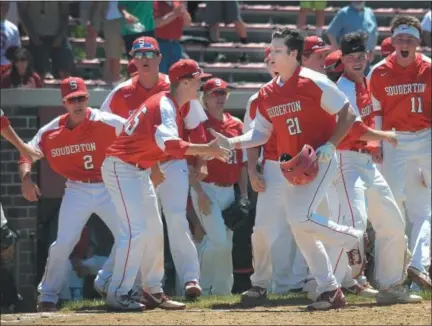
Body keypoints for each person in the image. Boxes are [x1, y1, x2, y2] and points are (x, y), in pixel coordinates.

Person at [212, 28, 364, 311]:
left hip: (319, 160)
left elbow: (348, 114)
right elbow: (260, 133)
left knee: (300, 220)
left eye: (279, 50)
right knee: (297, 226)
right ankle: (330, 289)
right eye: (271, 49)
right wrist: (231, 142)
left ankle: (352, 239)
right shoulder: (267, 93)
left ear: (294, 55)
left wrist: (330, 145)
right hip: (288, 166)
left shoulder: (314, 81)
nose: (272, 53)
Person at [101, 59, 229, 310]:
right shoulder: (165, 105)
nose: (201, 85)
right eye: (198, 80)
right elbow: (170, 146)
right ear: (184, 82)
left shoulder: (171, 103)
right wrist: (207, 150)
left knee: (153, 229)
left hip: (138, 169)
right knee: (135, 232)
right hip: (121, 167)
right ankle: (118, 292)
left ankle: (152, 290)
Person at [326, 31, 422, 303]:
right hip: (346, 160)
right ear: (342, 59)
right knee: (352, 223)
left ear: (367, 56)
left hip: (365, 162)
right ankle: (329, 284)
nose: (357, 61)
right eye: (351, 57)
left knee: (392, 220)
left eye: (361, 56)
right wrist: (384, 137)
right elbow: (353, 129)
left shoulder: (365, 82)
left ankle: (390, 286)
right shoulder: (342, 87)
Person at [17, 77, 126, 312]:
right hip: (77, 188)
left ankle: (107, 280)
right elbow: (27, 153)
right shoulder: (52, 130)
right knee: (63, 242)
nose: (78, 103)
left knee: (129, 236)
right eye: (72, 99)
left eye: (81, 98)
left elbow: (137, 135)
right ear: (63, 102)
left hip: (108, 185)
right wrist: (26, 178)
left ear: (87, 98)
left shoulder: (107, 121)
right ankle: (47, 295)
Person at [369, 16, 431, 291]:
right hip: (394, 140)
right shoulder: (378, 72)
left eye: (410, 39)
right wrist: (377, 145)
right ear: (392, 41)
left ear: (418, 42)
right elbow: (375, 112)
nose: (404, 44)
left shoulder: (429, 68)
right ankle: (391, 276)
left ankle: (418, 266)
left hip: (427, 137)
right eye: (400, 39)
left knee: (425, 209)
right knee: (393, 208)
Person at [189, 77, 248, 296]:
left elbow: (242, 165)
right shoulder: (198, 126)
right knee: (218, 242)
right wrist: (199, 192)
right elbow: (190, 166)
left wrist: (243, 195)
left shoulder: (236, 124)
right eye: (215, 93)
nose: (220, 97)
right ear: (204, 98)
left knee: (226, 244)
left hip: (229, 192)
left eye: (223, 93)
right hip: (206, 188)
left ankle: (223, 292)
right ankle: (200, 287)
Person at [326, 1, 378, 72]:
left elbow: (374, 33)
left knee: (364, 81)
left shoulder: (370, 12)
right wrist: (337, 51)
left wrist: (372, 50)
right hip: (349, 59)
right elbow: (330, 32)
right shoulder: (343, 13)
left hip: (365, 58)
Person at [153, 1, 191, 74]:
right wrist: (174, 14)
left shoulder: (177, 3)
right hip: (160, 44)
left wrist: (184, 13)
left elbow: (187, 23)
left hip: (175, 44)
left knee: (176, 75)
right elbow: (156, 23)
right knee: (161, 75)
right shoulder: (155, 3)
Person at [0, 1, 20, 75]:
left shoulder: (13, 28)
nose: (2, 8)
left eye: (5, 5)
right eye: (1, 4)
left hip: (7, 67)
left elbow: (16, 51)